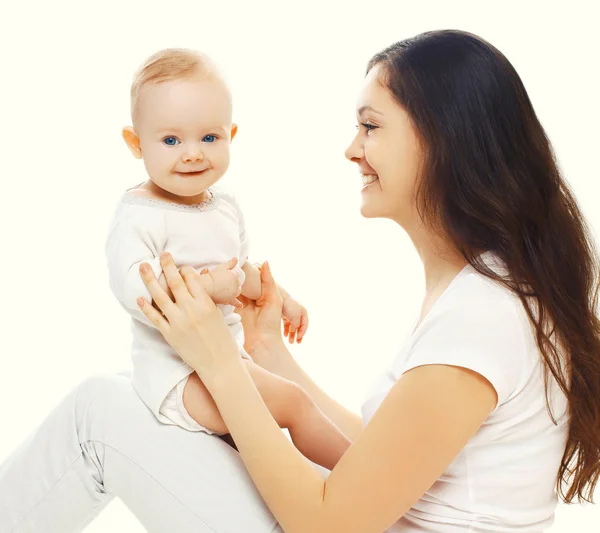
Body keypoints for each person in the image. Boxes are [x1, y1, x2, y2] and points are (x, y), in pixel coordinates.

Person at [1, 28, 599, 533]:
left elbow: (329, 525)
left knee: (97, 415)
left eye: (370, 127)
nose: (351, 149)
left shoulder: (481, 317)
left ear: (442, 138)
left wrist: (220, 360)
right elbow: (383, 461)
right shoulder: (489, 291)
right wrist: (266, 352)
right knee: (123, 390)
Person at [104, 48, 349, 467]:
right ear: (135, 142)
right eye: (170, 140)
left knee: (273, 444)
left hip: (230, 362)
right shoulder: (139, 216)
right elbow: (139, 295)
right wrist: (207, 287)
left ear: (230, 136)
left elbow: (239, 272)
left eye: (209, 137)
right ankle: (370, 482)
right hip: (178, 376)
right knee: (294, 403)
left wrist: (279, 295)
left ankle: (347, 493)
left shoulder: (224, 207)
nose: (193, 152)